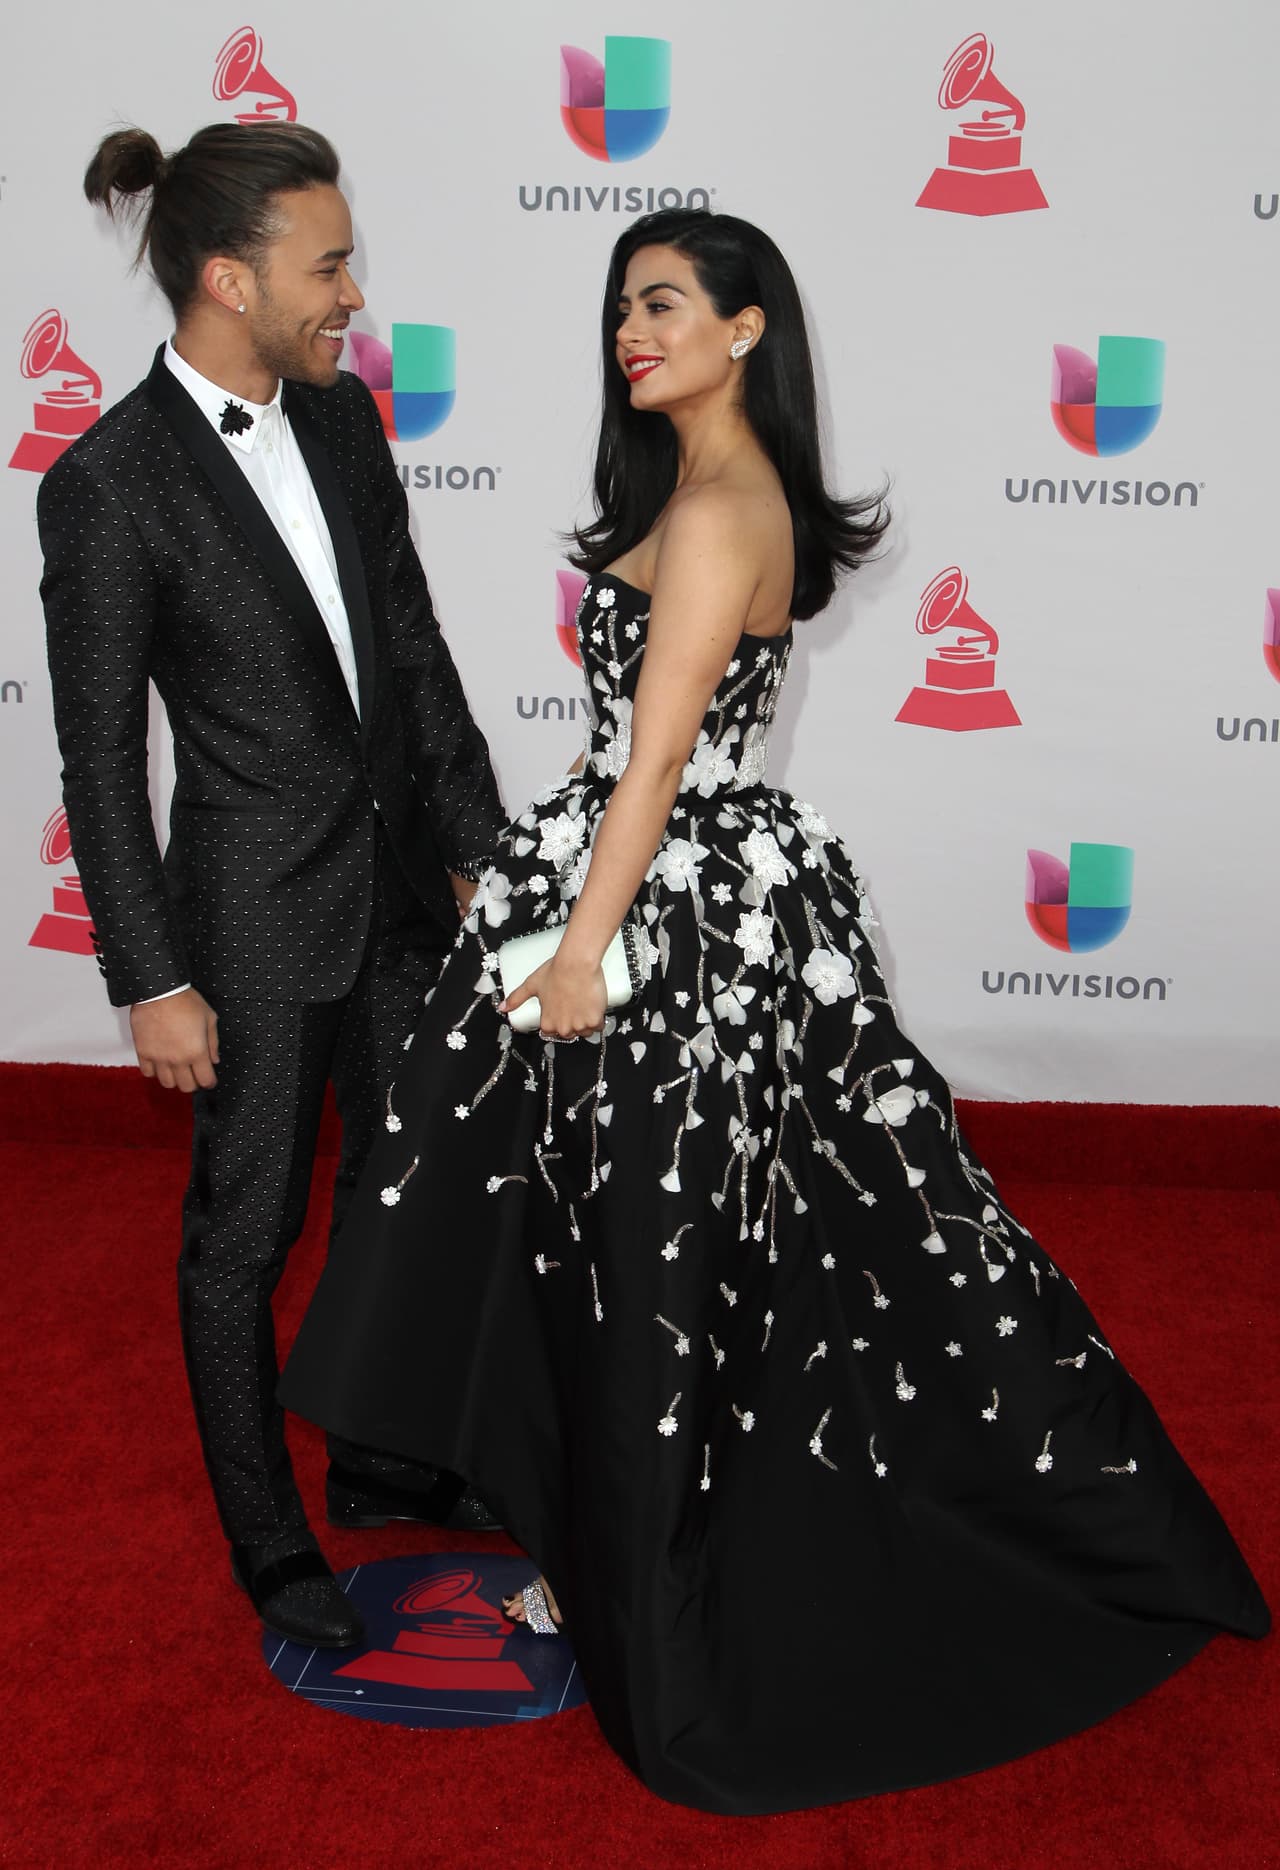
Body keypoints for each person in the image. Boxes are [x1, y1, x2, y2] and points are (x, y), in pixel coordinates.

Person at [280, 209, 1268, 1811]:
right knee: (642, 1246)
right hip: (677, 890)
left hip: (665, 915)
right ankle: (615, 1547)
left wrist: (584, 949)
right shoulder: (702, 491)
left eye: (665, 303)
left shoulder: (729, 508)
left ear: (749, 329)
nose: (631, 329)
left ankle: (687, 1571)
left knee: (666, 1250)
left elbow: (658, 760)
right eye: (621, 306)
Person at [38, 122, 507, 1653]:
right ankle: (268, 1537)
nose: (355, 295)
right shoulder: (110, 482)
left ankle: (379, 1461)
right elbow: (103, 760)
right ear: (231, 279)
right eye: (330, 265)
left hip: (397, 908)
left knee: (396, 1191)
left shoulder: (347, 422)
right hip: (244, 922)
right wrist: (149, 975)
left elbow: (417, 656)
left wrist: (487, 861)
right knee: (242, 1237)